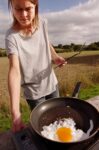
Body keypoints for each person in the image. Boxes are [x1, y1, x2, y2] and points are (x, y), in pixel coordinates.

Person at [5, 0, 66, 132]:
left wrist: (55, 57)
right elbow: (14, 70)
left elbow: (46, 42)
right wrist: (15, 112)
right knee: (47, 127)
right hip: (34, 94)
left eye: (28, 9)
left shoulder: (43, 23)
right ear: (12, 8)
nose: (24, 14)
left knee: (59, 118)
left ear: (36, 7)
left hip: (52, 84)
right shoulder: (11, 37)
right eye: (18, 9)